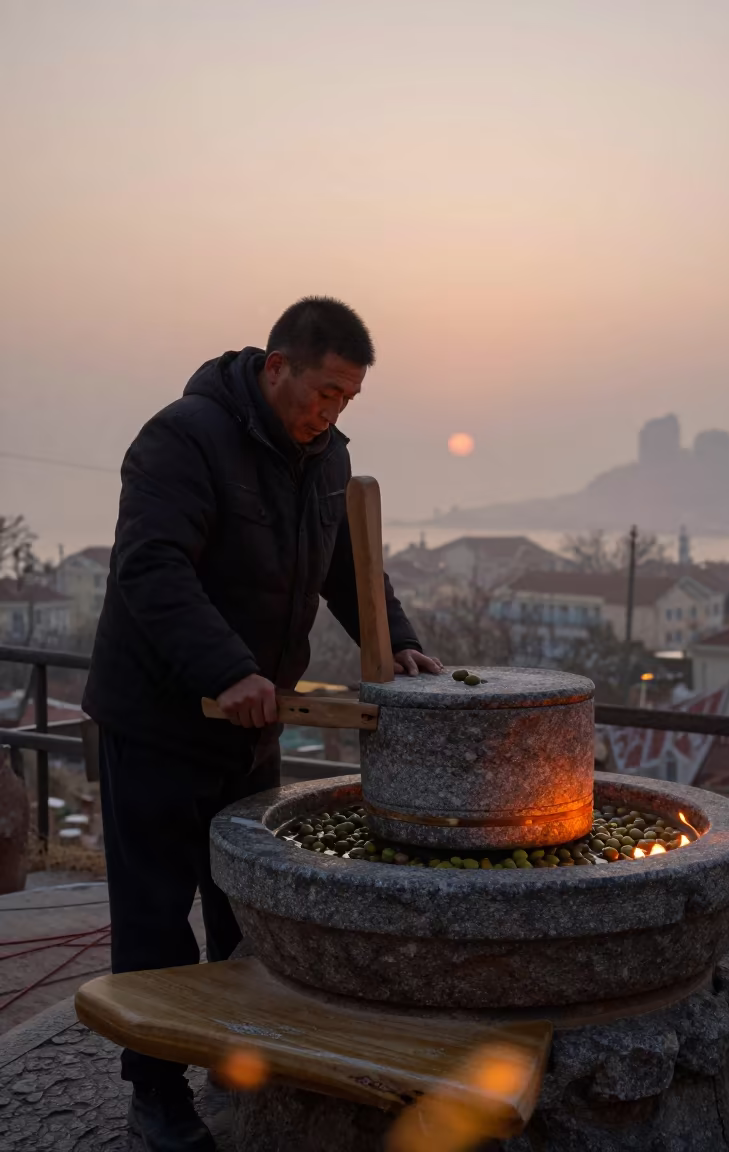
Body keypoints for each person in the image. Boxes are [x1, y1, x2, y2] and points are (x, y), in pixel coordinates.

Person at [83, 297, 442, 1152]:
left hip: (252, 722)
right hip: (162, 719)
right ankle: (156, 1097)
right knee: (155, 919)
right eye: (323, 393)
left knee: (247, 909)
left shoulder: (327, 459)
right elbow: (152, 567)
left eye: (347, 401)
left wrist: (403, 648)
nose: (330, 414)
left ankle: (236, 1058)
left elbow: (348, 569)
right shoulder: (182, 437)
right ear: (277, 366)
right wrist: (226, 668)